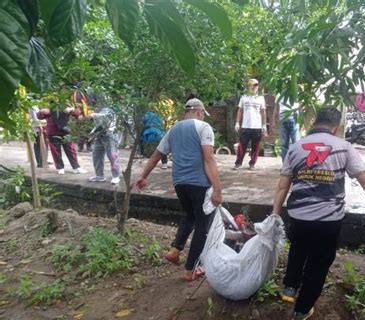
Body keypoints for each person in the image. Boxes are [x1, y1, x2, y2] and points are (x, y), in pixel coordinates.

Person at [272, 107, 365, 320]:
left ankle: (290, 288)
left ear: (316, 121)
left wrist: (275, 213)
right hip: (328, 220)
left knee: (298, 247)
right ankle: (301, 312)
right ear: (336, 126)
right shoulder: (344, 147)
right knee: (319, 263)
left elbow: (283, 185)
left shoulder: (295, 147)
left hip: (298, 216)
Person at [135, 98, 222, 281]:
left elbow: (156, 156)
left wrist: (143, 176)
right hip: (200, 184)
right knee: (202, 225)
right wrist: (217, 189)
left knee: (190, 216)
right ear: (199, 112)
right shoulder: (203, 127)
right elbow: (209, 159)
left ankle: (175, 250)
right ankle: (192, 268)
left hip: (179, 184)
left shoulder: (173, 130)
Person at [37, 103, 87, 175]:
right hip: (53, 131)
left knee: (70, 150)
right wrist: (42, 111)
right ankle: (60, 167)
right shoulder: (49, 103)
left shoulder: (66, 102)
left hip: (65, 130)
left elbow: (77, 114)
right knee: (56, 151)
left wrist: (72, 109)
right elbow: (39, 116)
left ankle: (76, 167)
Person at [233, 78, 267, 170]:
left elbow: (263, 111)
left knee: (255, 146)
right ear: (249, 86)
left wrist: (264, 125)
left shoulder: (261, 98)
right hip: (245, 126)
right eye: (252, 85)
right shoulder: (244, 97)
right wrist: (237, 122)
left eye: (256, 85)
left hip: (257, 127)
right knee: (242, 145)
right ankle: (238, 163)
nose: (254, 87)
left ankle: (252, 164)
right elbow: (240, 110)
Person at [88, 96, 121, 185]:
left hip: (110, 134)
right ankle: (99, 175)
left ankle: (116, 176)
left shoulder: (110, 108)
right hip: (99, 134)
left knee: (112, 155)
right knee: (96, 154)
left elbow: (105, 118)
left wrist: (93, 115)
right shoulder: (97, 108)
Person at [272, 95, 300, 163]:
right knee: (284, 145)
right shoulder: (279, 94)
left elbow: (300, 106)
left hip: (294, 119)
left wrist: (300, 120)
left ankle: (296, 163)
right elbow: (276, 107)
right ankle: (285, 165)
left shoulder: (296, 91)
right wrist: (273, 121)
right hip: (283, 120)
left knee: (296, 143)